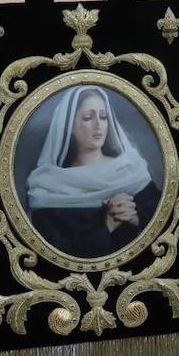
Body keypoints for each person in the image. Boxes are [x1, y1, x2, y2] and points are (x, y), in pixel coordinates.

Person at [25, 84, 161, 259]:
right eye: (88, 117)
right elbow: (55, 254)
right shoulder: (49, 185)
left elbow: (162, 225)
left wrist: (135, 219)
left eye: (103, 117)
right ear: (70, 126)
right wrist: (108, 225)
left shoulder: (130, 170)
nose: (99, 125)